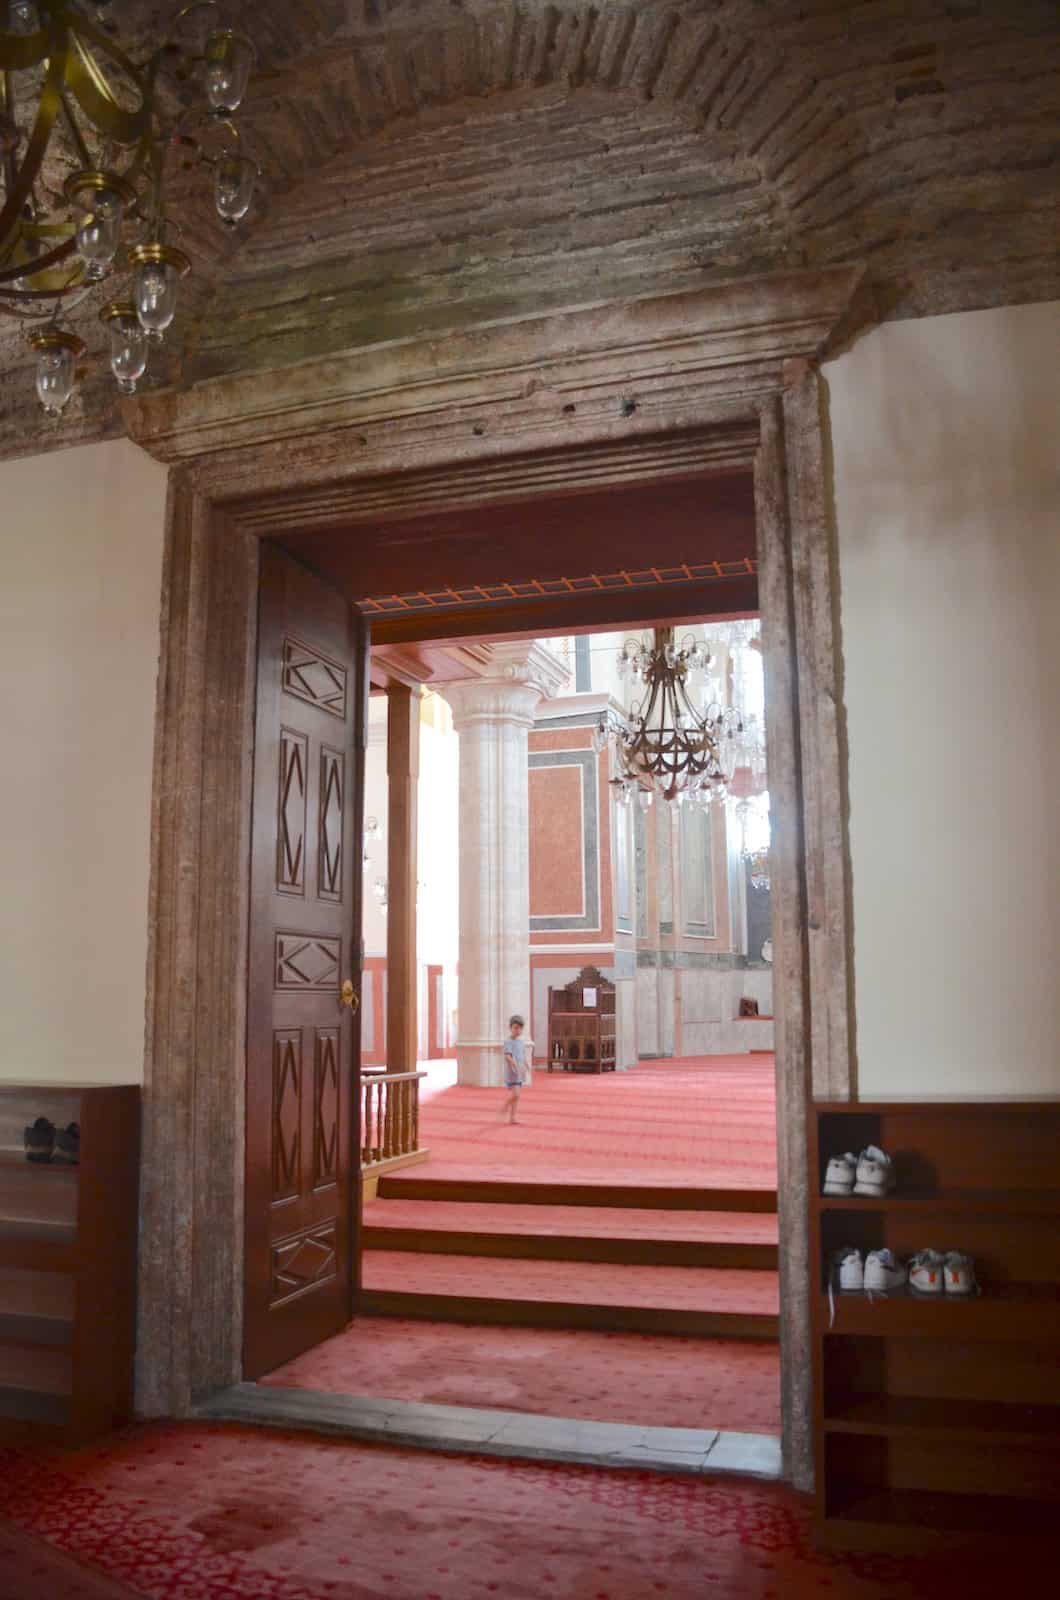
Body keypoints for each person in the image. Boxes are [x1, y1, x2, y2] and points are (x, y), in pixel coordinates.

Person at [501, 1014, 528, 1124]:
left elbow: (522, 1055)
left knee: (516, 1097)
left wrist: (526, 1065)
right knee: (516, 1094)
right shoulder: (508, 1042)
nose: (518, 1030)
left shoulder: (521, 1042)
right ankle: (505, 1106)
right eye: (515, 1028)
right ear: (510, 1028)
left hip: (519, 1073)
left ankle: (512, 1118)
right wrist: (515, 1064)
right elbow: (508, 1056)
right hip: (512, 1072)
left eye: (520, 1028)